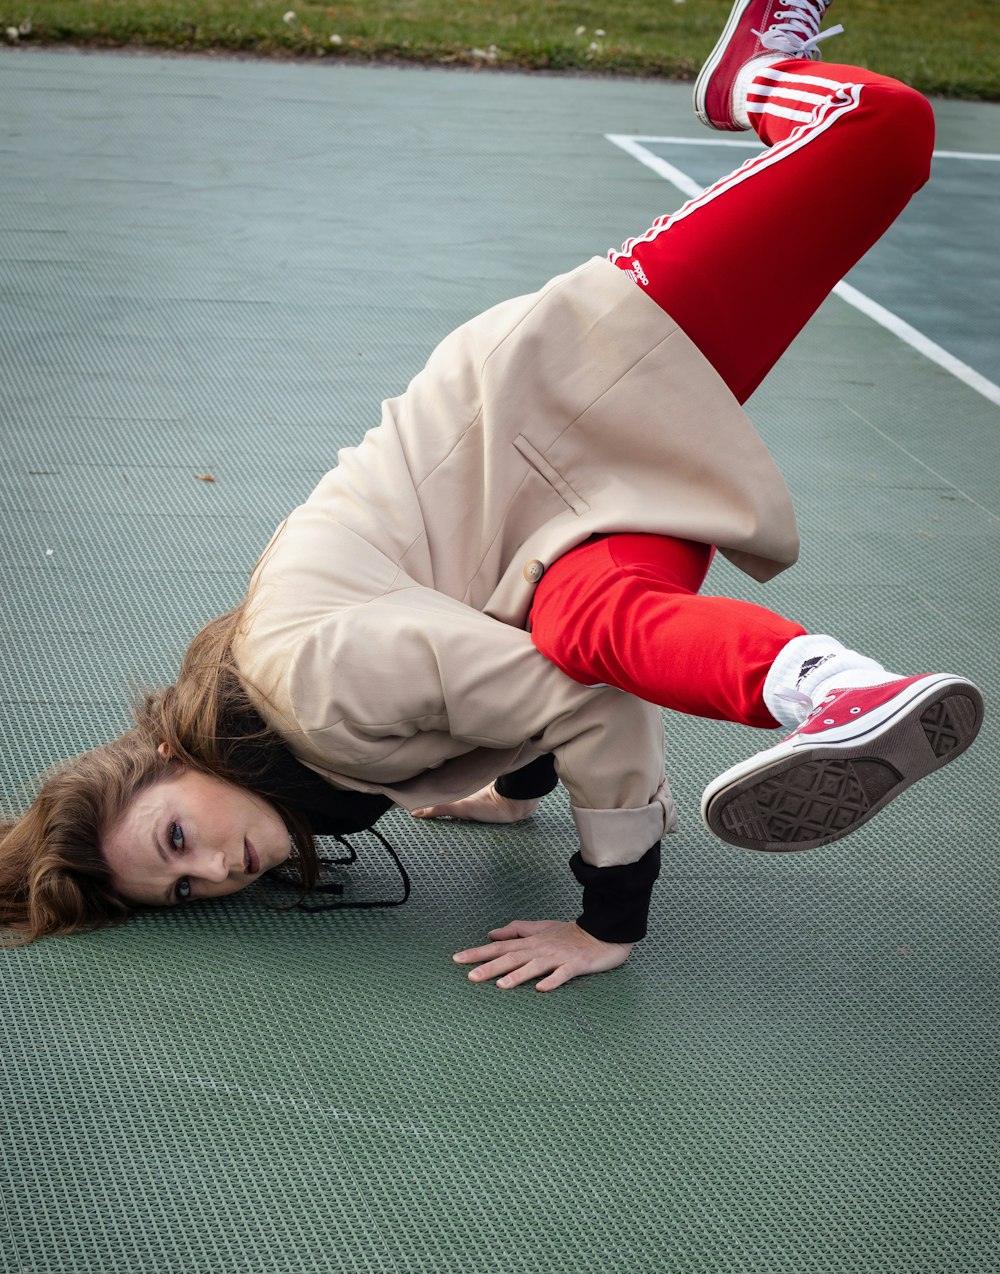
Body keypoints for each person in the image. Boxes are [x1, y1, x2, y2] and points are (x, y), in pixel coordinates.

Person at [0, 0, 984, 987]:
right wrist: (510, 788)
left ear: (171, 758)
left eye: (176, 840)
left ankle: (745, 75)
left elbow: (580, 709)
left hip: (568, 386)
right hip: (550, 526)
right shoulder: (309, 757)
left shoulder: (314, 690)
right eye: (183, 889)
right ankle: (842, 696)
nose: (216, 870)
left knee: (883, 133)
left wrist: (608, 921)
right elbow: (480, 660)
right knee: (597, 619)